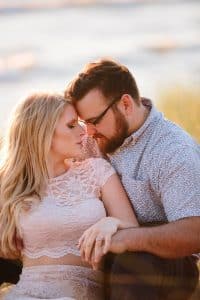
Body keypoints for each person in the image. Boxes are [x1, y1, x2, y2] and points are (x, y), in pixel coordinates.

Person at [65, 58, 200, 300]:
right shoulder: (91, 137)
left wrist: (125, 238)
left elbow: (194, 233)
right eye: (83, 123)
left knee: (132, 264)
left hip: (166, 263)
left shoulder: (174, 151)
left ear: (125, 104)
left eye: (94, 122)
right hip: (98, 247)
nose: (89, 133)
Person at [0, 92, 138, 299]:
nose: (84, 131)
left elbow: (132, 228)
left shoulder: (97, 171)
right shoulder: (9, 182)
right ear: (42, 132)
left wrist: (111, 222)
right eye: (72, 125)